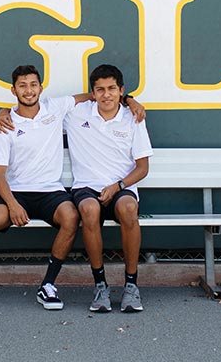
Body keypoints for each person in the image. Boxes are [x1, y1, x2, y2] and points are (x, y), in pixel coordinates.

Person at [0, 65, 100, 311]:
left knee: (71, 217)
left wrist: (130, 101)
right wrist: (13, 205)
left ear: (41, 87)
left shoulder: (55, 108)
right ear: (13, 90)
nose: (29, 90)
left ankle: (48, 285)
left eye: (33, 84)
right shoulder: (5, 124)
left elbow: (94, 95)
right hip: (16, 193)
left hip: (50, 192)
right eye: (23, 86)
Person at [65, 64, 151, 313]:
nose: (106, 95)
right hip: (86, 187)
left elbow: (143, 167)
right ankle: (100, 285)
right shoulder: (77, 114)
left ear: (121, 91)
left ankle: (131, 286)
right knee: (89, 210)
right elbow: (37, 109)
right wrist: (4, 111)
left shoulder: (133, 118)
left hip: (121, 186)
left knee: (128, 208)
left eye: (112, 89)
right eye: (100, 90)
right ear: (92, 93)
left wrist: (118, 186)